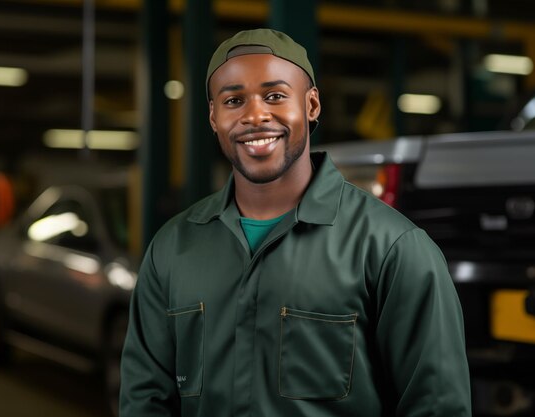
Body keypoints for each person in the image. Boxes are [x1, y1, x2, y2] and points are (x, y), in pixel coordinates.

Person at [119, 28, 471, 417]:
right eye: (234, 100)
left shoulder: (392, 248)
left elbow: (437, 407)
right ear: (213, 117)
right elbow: (144, 401)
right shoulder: (172, 249)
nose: (255, 115)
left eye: (275, 96)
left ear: (312, 105)